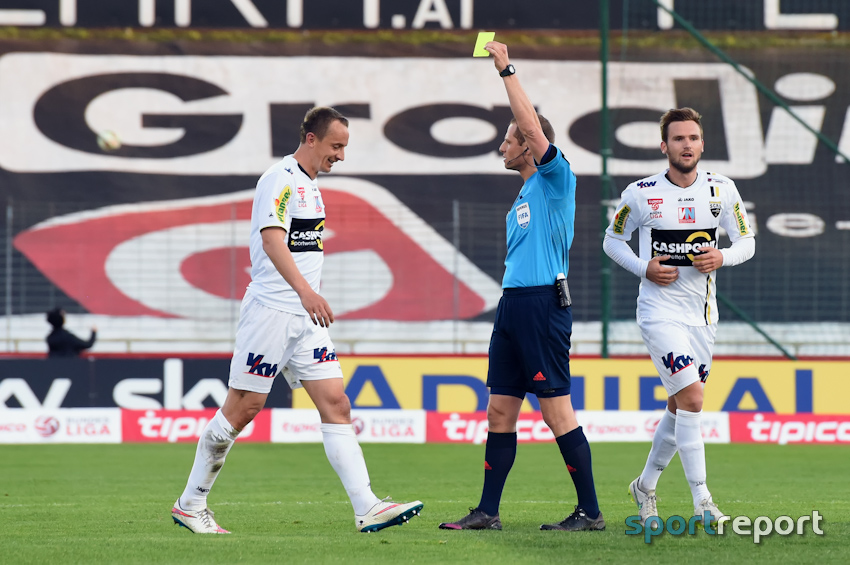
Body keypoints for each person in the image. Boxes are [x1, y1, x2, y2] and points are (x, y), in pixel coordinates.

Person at [171, 107, 423, 534]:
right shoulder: (280, 179)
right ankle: (190, 503)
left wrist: (308, 297)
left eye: (344, 147)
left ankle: (367, 506)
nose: (341, 156)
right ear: (311, 139)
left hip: (305, 321)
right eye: (335, 146)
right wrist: (306, 292)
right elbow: (272, 240)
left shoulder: (312, 187)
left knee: (336, 403)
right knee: (243, 409)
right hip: (272, 312)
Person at [439, 42, 604, 533]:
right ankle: (488, 512)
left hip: (541, 306)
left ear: (530, 146)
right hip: (513, 307)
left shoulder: (557, 180)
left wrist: (505, 69)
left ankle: (590, 512)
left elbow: (531, 124)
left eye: (509, 141)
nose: (503, 147)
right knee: (498, 409)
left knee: (556, 411)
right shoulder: (524, 194)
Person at [603, 107, 755, 527]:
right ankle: (702, 500)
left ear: (702, 143)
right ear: (664, 146)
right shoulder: (640, 193)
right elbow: (612, 240)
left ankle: (645, 486)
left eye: (692, 138)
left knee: (678, 406)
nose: (686, 145)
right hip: (659, 312)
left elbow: (748, 240)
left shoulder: (722, 190)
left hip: (703, 317)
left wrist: (722, 256)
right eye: (678, 139)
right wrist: (643, 266)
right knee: (692, 398)